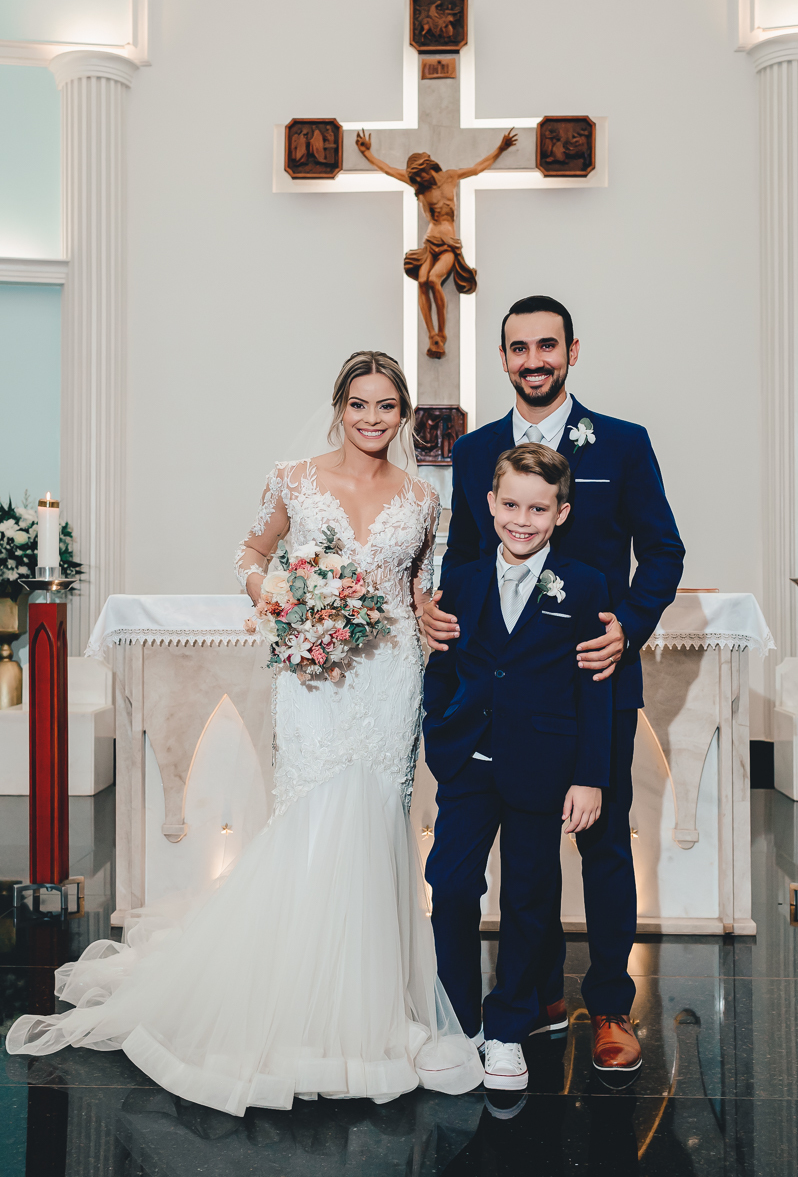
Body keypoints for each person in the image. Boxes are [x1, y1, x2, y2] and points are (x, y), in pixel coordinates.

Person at [7, 350, 484, 1113]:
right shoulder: (293, 478)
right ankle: (295, 1000)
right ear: (339, 407)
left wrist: (429, 614)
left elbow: (422, 589)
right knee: (315, 815)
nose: (372, 418)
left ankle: (372, 1006)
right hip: (315, 676)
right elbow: (249, 553)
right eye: (359, 404)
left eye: (386, 407)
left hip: (391, 674)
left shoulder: (426, 499)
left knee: (376, 818)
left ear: (402, 415)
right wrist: (284, 599)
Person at [421, 295, 685, 1078]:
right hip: (497, 693)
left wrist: (626, 626)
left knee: (600, 840)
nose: (533, 359)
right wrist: (438, 615)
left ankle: (608, 1003)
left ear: (572, 351)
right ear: (502, 358)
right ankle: (526, 994)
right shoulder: (475, 454)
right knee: (517, 857)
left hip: (591, 675)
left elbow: (662, 549)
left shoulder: (624, 444)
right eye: (518, 348)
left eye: (547, 346)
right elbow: (465, 558)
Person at [423, 443, 612, 1091]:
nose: (522, 519)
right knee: (449, 884)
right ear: (489, 504)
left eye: (538, 508)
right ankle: (457, 1019)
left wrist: (590, 775)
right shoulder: (465, 579)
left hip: (544, 766)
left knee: (530, 898)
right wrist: (439, 731)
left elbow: (595, 688)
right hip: (468, 763)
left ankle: (506, 1030)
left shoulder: (584, 585)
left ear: (561, 513)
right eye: (511, 505)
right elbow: (443, 666)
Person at [355, 130, 517, 359]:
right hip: (431, 240)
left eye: (420, 175)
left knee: (433, 279)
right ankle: (432, 334)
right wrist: (366, 153)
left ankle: (442, 331)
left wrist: (500, 149)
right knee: (422, 280)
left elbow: (477, 168)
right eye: (416, 178)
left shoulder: (451, 177)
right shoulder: (417, 185)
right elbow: (388, 170)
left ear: (428, 167)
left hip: (449, 242)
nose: (418, 181)